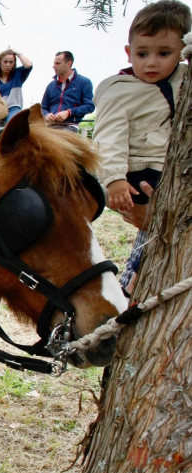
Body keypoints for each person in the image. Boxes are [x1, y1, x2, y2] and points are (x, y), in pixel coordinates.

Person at [93, 0, 190, 294]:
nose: (151, 63)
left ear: (182, 54)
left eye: (164, 54)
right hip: (140, 174)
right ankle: (135, 279)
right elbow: (108, 138)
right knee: (157, 229)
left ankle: (135, 278)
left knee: (158, 231)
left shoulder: (180, 79)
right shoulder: (120, 91)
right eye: (142, 54)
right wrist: (114, 179)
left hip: (166, 170)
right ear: (128, 53)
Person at [40, 51, 95, 132]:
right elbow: (43, 107)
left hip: (70, 126)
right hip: (50, 127)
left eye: (57, 63)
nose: (53, 66)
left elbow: (90, 106)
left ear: (68, 63)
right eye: (54, 63)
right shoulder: (51, 85)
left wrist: (69, 112)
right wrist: (47, 115)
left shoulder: (84, 82)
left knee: (58, 142)